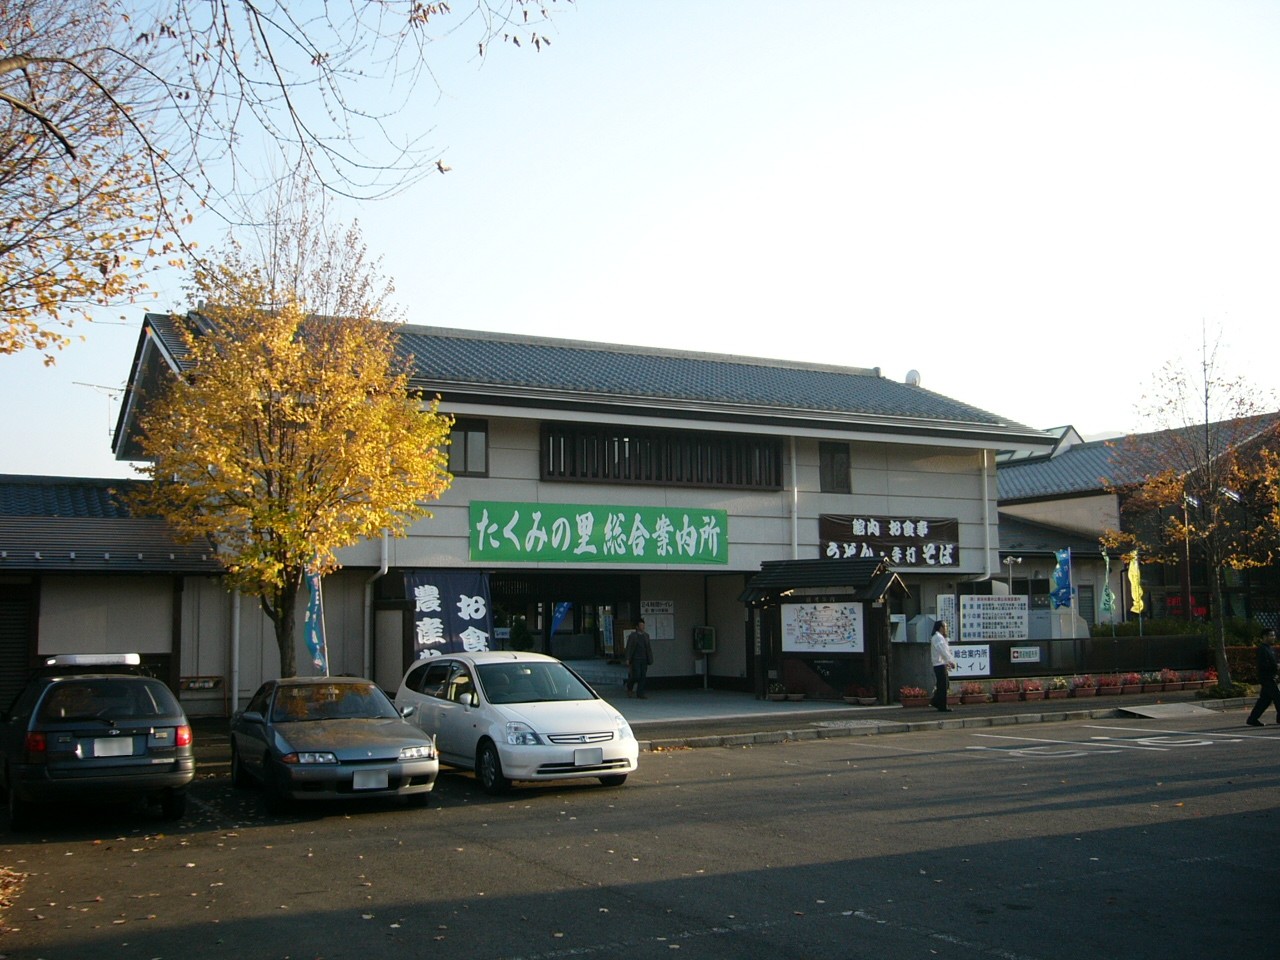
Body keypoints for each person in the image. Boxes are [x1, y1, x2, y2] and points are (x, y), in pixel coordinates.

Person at [1246, 627, 1279, 726]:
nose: (1273, 637)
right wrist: (1276, 666)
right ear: (1264, 637)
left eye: (1274, 635)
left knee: (1264, 700)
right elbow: (1262, 665)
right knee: (1278, 697)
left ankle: (1252, 719)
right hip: (1266, 678)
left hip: (1271, 677)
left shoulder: (1270, 649)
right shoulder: (1262, 649)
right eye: (1271, 635)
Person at [929, 619, 957, 712]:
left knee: (944, 684)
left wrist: (948, 661)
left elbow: (945, 650)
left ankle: (936, 701)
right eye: (945, 626)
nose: (946, 628)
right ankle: (942, 705)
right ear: (940, 627)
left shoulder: (940, 637)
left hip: (941, 663)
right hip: (939, 664)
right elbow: (942, 651)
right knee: (943, 685)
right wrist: (950, 661)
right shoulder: (937, 637)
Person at [624, 619, 654, 699]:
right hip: (635, 659)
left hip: (644, 658)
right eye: (641, 625)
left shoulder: (646, 636)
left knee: (643, 676)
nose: (642, 627)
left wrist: (650, 658)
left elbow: (648, 648)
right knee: (636, 675)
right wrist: (627, 658)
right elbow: (629, 647)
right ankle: (629, 686)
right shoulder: (633, 636)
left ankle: (640, 693)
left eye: (643, 625)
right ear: (637, 627)